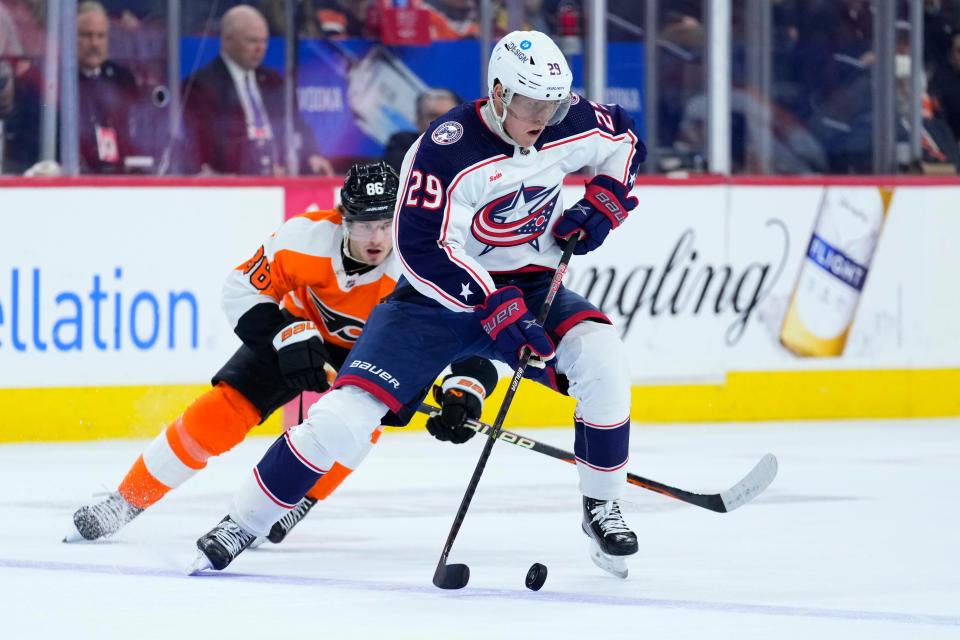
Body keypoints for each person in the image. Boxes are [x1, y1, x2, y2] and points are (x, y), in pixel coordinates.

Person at [191, 30, 645, 579]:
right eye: (531, 104)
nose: (544, 116)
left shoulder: (565, 119)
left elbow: (624, 139)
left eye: (553, 104)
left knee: (601, 358)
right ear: (499, 94)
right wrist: (492, 307)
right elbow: (421, 250)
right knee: (342, 419)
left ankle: (600, 507)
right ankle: (244, 520)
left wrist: (606, 197)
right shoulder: (443, 151)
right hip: (434, 300)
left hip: (531, 288)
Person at [65, 161, 497, 544]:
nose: (377, 238)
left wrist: (465, 388)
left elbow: (466, 330)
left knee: (351, 430)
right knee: (221, 412)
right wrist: (283, 334)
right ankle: (126, 501)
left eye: (387, 224)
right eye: (365, 224)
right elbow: (240, 289)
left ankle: (296, 500)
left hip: (378, 352)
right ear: (343, 218)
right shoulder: (304, 239)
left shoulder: (420, 263)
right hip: (299, 331)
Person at [177, 5, 334, 176]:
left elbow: (296, 124)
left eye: (264, 41)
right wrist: (254, 164)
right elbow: (210, 144)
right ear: (227, 40)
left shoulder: (274, 81)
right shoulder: (202, 86)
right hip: (234, 181)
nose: (260, 48)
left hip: (281, 176)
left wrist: (311, 154)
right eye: (252, 41)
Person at [74, 1, 141, 174]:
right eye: (87, 35)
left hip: (118, 178)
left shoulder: (124, 80)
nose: (94, 43)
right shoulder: (59, 82)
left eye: (100, 36)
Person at [382, 88, 462, 173]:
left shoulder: (473, 149)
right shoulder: (403, 144)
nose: (442, 122)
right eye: (433, 116)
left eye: (449, 115)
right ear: (418, 121)